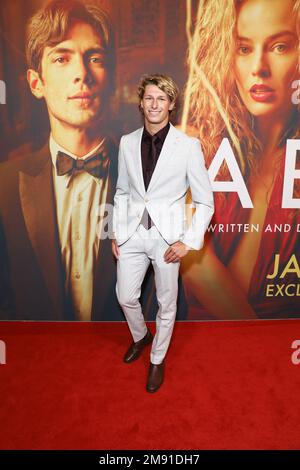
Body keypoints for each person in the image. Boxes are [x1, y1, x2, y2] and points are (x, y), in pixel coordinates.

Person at [0, 0, 122, 321]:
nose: (81, 73)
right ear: (36, 82)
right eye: (61, 58)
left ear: (109, 76)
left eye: (94, 58)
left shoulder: (152, 178)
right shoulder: (4, 186)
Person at [181, 0, 300, 319]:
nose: (258, 67)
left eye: (279, 46)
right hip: (204, 354)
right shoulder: (197, 147)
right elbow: (192, 261)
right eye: (244, 48)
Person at [112, 74, 214, 392]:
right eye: (149, 98)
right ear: (141, 103)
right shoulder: (127, 142)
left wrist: (188, 242)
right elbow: (122, 191)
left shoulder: (188, 146)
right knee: (126, 296)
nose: (155, 104)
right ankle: (142, 336)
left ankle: (157, 359)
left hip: (168, 237)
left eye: (161, 99)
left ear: (171, 105)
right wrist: (116, 232)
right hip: (131, 234)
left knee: (166, 303)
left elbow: (205, 201)